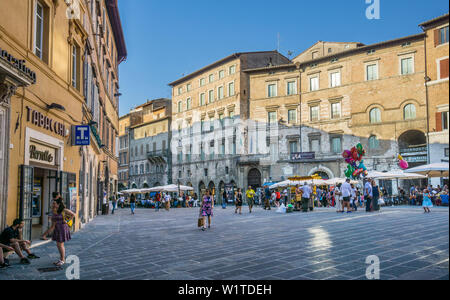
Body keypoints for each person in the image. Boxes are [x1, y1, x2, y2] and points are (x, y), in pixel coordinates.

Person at [41, 198, 74, 266]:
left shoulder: (63, 210)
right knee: (59, 245)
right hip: (57, 229)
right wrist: (45, 234)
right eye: (52, 203)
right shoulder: (53, 211)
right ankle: (61, 259)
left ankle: (62, 260)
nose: (53, 204)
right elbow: (53, 225)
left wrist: (67, 221)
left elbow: (72, 214)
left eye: (54, 203)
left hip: (62, 228)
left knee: (60, 245)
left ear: (58, 204)